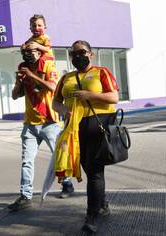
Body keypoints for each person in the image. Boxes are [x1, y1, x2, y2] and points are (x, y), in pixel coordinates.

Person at [53, 40, 119, 234]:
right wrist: (64, 109)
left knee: (95, 171)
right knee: (90, 171)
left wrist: (89, 95)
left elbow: (114, 97)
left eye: (82, 52)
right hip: (74, 130)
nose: (78, 56)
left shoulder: (102, 72)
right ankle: (102, 202)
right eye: (74, 54)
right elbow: (55, 102)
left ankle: (92, 216)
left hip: (98, 126)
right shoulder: (66, 78)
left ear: (91, 54)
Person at [9, 46, 74, 211]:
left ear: (39, 53)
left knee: (59, 156)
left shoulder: (47, 66)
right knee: (27, 161)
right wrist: (19, 82)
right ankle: (25, 196)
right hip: (30, 125)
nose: (27, 54)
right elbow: (15, 95)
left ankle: (67, 184)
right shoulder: (23, 69)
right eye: (24, 52)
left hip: (49, 122)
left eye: (30, 51)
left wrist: (31, 75)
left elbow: (53, 87)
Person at [21, 14, 55, 91]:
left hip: (47, 57)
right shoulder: (31, 39)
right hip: (39, 58)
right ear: (30, 28)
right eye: (34, 26)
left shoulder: (45, 37)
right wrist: (23, 47)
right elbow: (26, 45)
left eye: (39, 25)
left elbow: (47, 49)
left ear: (45, 27)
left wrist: (38, 46)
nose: (36, 28)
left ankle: (40, 83)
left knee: (42, 61)